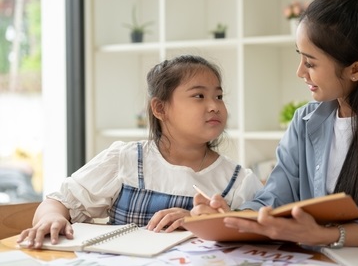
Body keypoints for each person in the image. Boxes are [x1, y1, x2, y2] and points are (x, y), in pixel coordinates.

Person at [191, 0, 358, 250]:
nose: (299, 72)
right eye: (300, 57)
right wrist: (232, 217)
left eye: (310, 63)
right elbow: (274, 198)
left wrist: (324, 235)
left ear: (356, 70)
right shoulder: (304, 120)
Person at [18, 54, 263, 248]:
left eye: (219, 96)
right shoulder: (125, 160)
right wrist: (52, 218)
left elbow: (254, 235)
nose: (214, 106)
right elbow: (59, 201)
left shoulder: (238, 181)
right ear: (160, 108)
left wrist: (204, 223)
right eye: (199, 96)